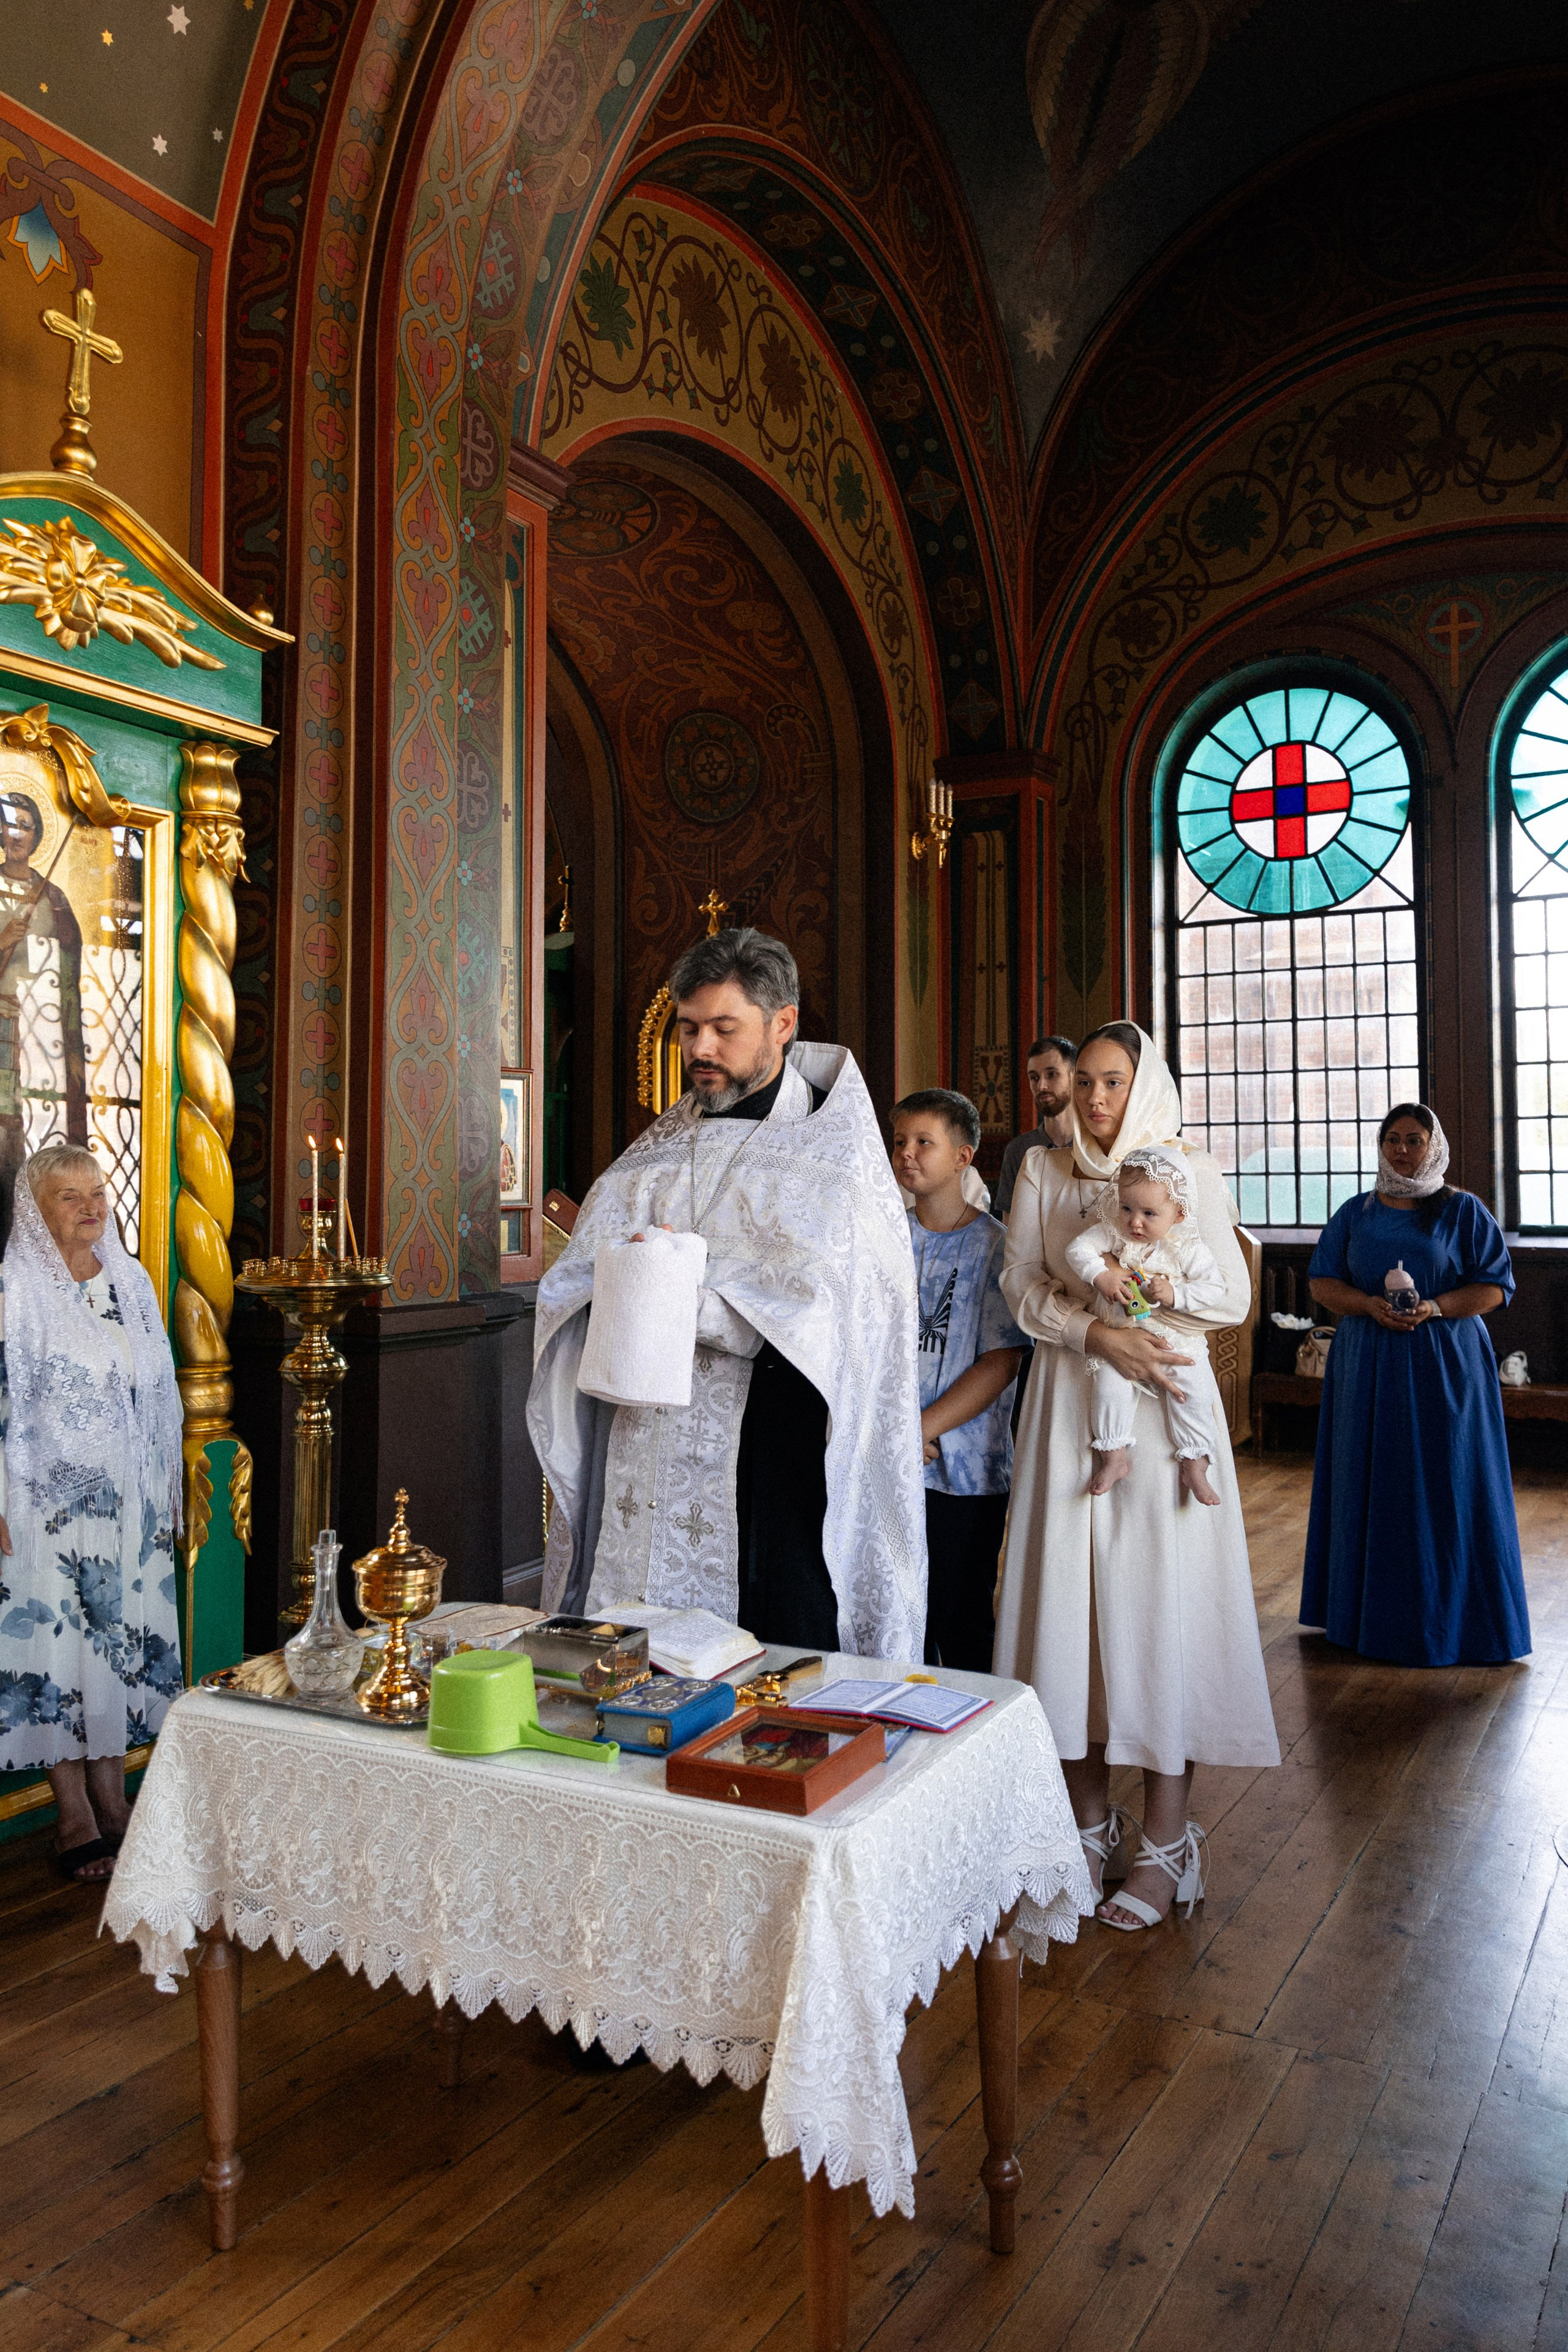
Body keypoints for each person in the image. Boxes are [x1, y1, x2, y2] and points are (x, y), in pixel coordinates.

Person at [529, 928, 927, 1657]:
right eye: (688, 1029)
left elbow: (836, 1313)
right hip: (645, 1440)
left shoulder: (835, 1158)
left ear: (782, 1024)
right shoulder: (654, 1149)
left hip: (775, 1453)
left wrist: (686, 1298)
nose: (700, 1050)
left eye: (723, 1029)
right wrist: (623, 1276)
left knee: (773, 1652)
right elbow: (576, 1275)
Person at [994, 1021, 1278, 1933]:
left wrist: (1147, 1305)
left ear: (1144, 1082)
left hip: (1164, 1413)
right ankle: (1082, 1822)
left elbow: (1231, 1297)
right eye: (1082, 1082)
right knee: (1066, 1613)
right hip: (1070, 1404)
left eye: (1112, 1081)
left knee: (1162, 1607)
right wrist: (1096, 1329)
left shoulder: (1192, 1168)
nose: (1094, 1098)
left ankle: (1166, 1842)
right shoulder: (1045, 1170)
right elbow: (1023, 1287)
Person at [0, 1144, 184, 1883]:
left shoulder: (130, 1280)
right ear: (37, 1213)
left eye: (97, 1191)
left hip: (129, 1500)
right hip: (46, 1507)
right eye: (69, 1197)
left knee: (114, 1647)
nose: (91, 1207)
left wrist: (163, 1485)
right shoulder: (15, 1290)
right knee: (61, 1653)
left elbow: (157, 1390)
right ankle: (73, 1811)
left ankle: (115, 1800)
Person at [1300, 1104, 1529, 1667]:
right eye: (1392, 1139)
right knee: (1372, 1478)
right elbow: (1323, 1281)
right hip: (1367, 1364)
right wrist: (1367, 1306)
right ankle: (1363, 1619)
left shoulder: (1464, 1211)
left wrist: (1436, 1306)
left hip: (1445, 1365)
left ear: (1435, 1145)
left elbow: (1496, 1288)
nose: (1402, 1150)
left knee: (1448, 1480)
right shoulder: (1356, 1212)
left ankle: (1458, 1620)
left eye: (1415, 1140)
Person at [891, 1088, 1025, 1670]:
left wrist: (922, 1426)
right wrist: (893, 1432)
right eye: (899, 1142)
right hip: (891, 1456)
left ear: (964, 1156)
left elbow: (1000, 1361)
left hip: (965, 1467)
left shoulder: (997, 1245)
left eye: (925, 1142)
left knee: (961, 1610)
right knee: (900, 1611)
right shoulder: (886, 1237)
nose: (908, 1155)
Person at [1064, 1144, 1230, 1504]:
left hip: (1175, 1343)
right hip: (1119, 1339)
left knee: (1193, 1392)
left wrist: (1175, 1294)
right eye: (1126, 1208)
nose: (1134, 1221)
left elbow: (1216, 1290)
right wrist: (1100, 1277)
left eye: (1149, 1213)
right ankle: (1115, 1456)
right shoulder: (1113, 1234)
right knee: (1108, 1389)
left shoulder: (1188, 1249)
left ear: (1179, 1213)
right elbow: (1077, 1250)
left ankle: (1196, 1462)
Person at [0, 792, 89, 1248]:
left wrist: (72, 1051)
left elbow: (69, 981)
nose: (17, 834)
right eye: (9, 824)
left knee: (33, 1134)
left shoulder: (52, 898)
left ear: (37, 834)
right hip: (1, 1031)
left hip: (42, 1041)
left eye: (26, 825)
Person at [992, 1035, 1076, 1219]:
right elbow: (1009, 1225)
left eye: (1052, 1074)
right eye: (1034, 1078)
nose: (1042, 1086)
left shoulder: (1096, 1146)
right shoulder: (1018, 1150)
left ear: (1074, 1077)